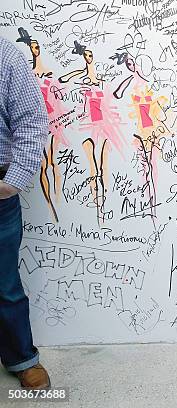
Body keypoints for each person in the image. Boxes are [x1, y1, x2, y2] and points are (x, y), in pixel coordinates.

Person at [0, 35, 50, 388]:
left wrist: (12, 181)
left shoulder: (5, 57)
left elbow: (32, 120)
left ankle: (21, 358)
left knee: (4, 284)